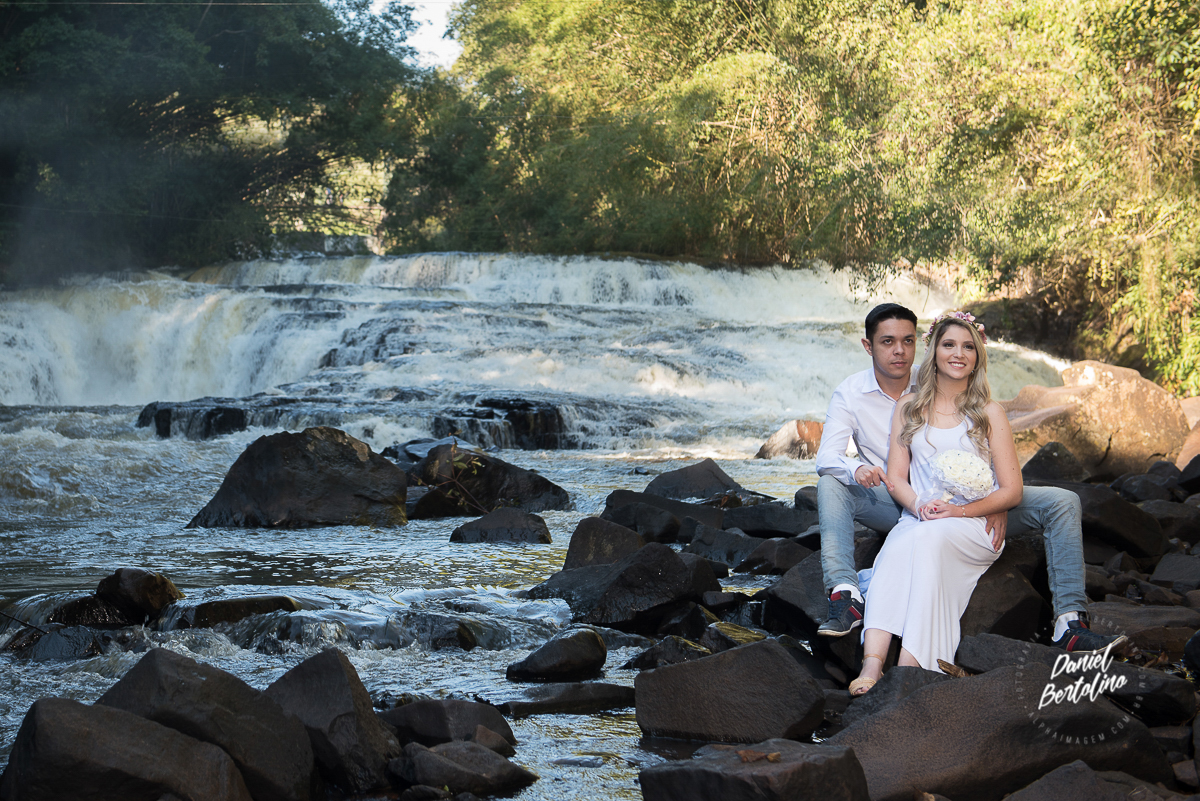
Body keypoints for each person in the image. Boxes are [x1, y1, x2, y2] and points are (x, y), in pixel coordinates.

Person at [813, 303, 1126, 657]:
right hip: (897, 497)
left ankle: (1070, 622)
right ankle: (845, 594)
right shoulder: (852, 394)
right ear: (868, 346)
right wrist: (860, 472)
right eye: (887, 342)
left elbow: (990, 456)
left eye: (908, 340)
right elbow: (828, 457)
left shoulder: (941, 372)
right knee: (830, 482)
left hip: (972, 502)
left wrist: (995, 502)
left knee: (1063, 501)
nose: (899, 350)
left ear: (921, 345)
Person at [848, 312, 1015, 692]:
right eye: (949, 345)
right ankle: (872, 665)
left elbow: (1011, 490)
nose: (959, 354)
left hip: (971, 524)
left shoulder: (989, 413)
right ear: (934, 351)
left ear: (978, 356)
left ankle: (912, 663)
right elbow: (896, 478)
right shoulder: (908, 408)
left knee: (925, 541)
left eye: (968, 347)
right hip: (921, 517)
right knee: (899, 544)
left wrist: (961, 510)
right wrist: (919, 503)